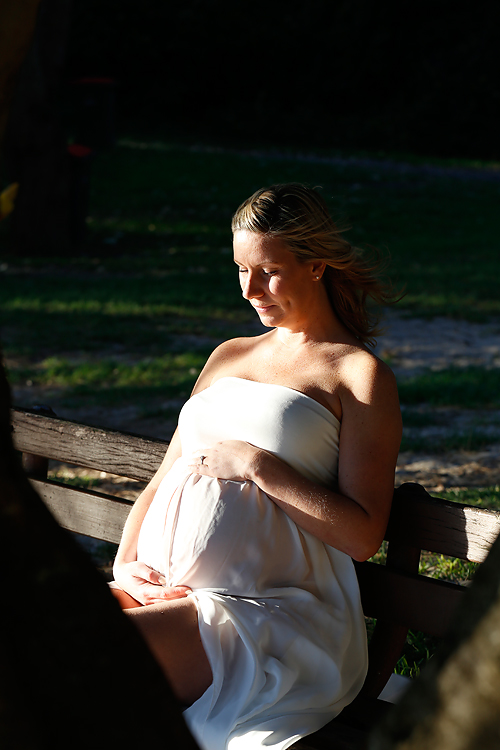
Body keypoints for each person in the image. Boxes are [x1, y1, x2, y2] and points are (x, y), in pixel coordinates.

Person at [111, 183, 402, 750]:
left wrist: (258, 465)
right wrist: (127, 564)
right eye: (241, 270)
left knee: (80, 658)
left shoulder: (357, 375)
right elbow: (169, 471)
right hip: (169, 593)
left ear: (316, 265)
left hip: (265, 617)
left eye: (269, 272)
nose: (249, 290)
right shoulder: (229, 354)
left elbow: (364, 536)